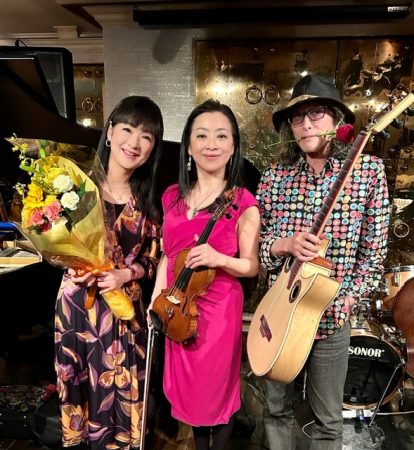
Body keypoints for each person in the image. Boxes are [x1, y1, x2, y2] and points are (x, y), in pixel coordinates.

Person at [256, 74, 390, 450]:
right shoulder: (274, 178)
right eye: (297, 117)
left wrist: (347, 300)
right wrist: (283, 245)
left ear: (336, 120)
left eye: (316, 113)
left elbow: (374, 254)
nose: (306, 124)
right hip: (279, 315)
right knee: (275, 410)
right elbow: (257, 248)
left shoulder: (367, 173)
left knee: (328, 421)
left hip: (330, 319)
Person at [148, 99, 260, 450]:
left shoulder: (243, 201)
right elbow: (168, 255)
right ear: (188, 146)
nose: (211, 144)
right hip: (178, 306)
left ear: (233, 147)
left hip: (218, 311)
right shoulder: (171, 196)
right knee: (192, 395)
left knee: (216, 393)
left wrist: (219, 258)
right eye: (202, 135)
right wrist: (156, 299)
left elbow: (251, 265)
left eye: (221, 136)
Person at [54, 95, 164, 449]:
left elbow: (154, 260)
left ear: (153, 147)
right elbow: (53, 242)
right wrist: (74, 265)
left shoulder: (149, 199)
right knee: (79, 387)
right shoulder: (74, 186)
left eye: (146, 137)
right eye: (128, 130)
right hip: (78, 308)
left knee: (123, 392)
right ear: (111, 130)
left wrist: (125, 274)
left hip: (124, 311)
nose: (134, 143)